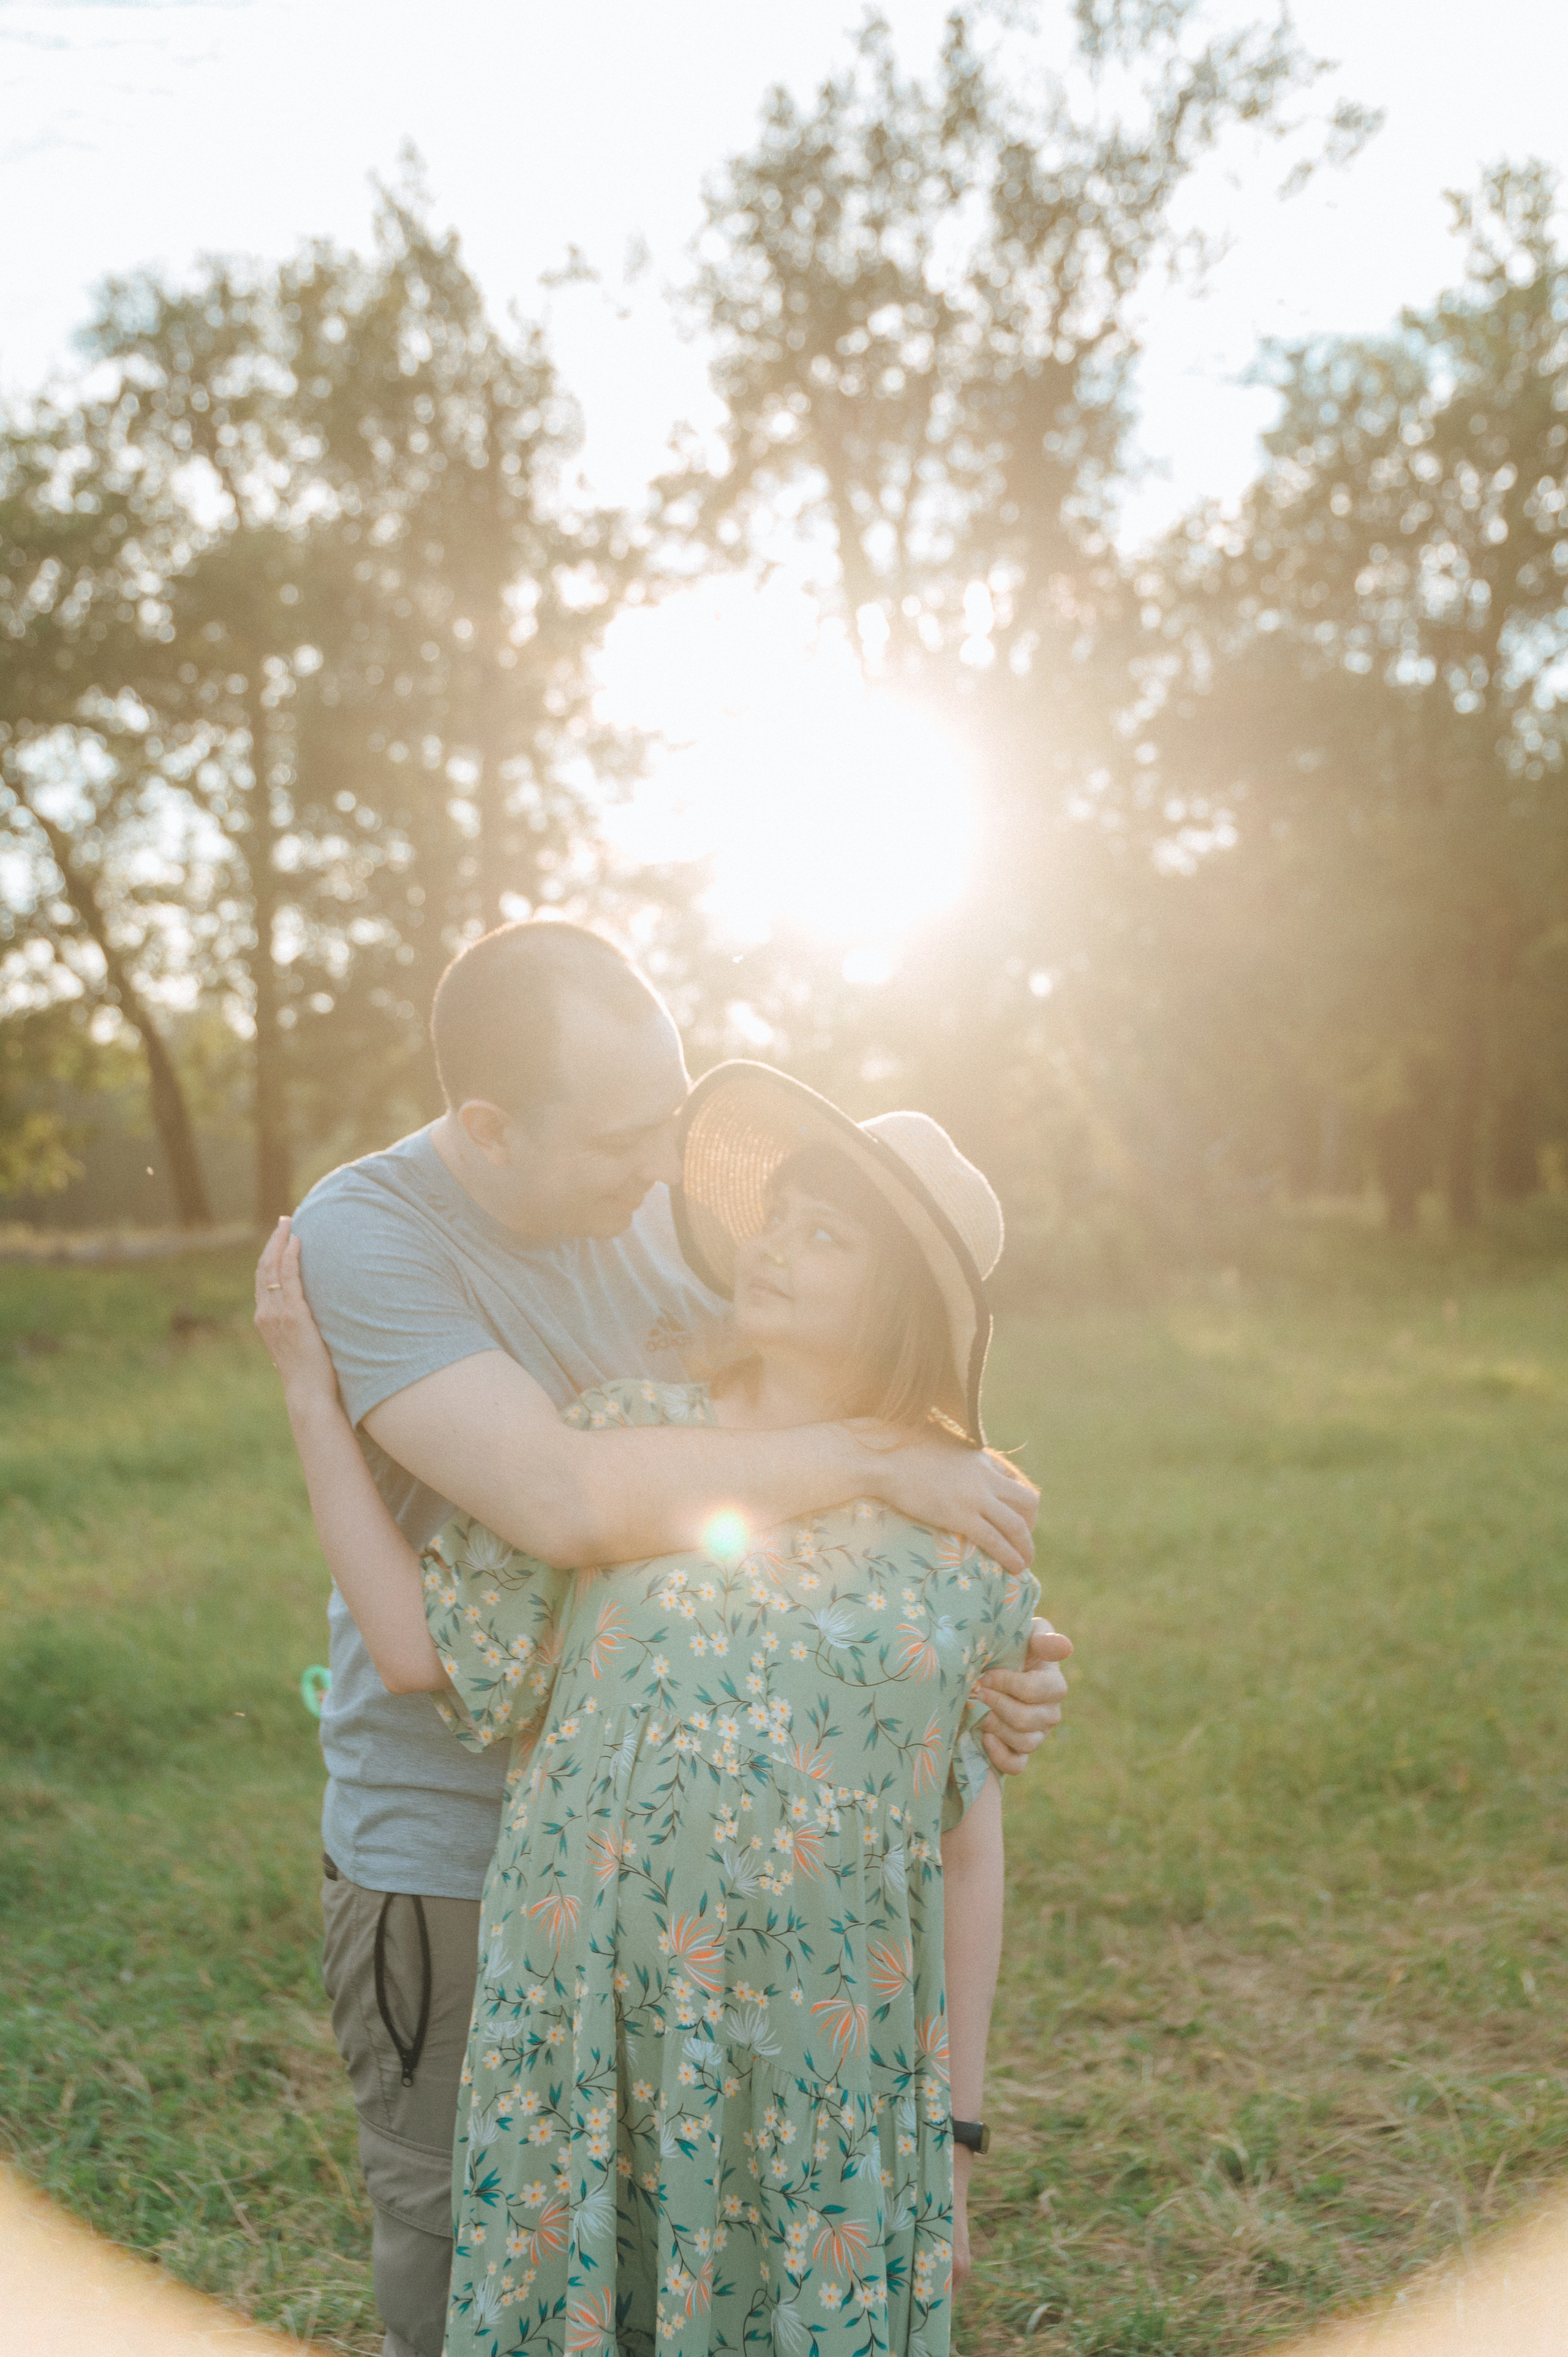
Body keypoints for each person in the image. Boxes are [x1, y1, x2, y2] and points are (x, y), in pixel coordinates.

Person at [255, 919, 1071, 2357]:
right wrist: (311, 1405)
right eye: (626, 1138)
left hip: (774, 1992)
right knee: (471, 2275)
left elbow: (900, 1708)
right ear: (493, 1127)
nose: (669, 1184)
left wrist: (996, 1657)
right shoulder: (367, 1237)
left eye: (667, 1127)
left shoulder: (666, 1224)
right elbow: (561, 1508)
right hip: (475, 1876)